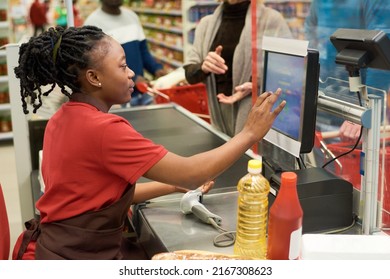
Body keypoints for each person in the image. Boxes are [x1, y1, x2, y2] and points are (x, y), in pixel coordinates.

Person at [12, 26, 285, 260]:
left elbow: (94, 198)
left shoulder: (62, 119)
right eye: (122, 66)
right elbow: (192, 174)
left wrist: (169, 186)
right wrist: (249, 133)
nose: (131, 73)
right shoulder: (104, 129)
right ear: (94, 77)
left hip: (56, 250)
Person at [184, 0, 292, 137]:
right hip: (219, 119)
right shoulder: (206, 24)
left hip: (256, 121)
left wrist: (256, 83)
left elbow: (286, 71)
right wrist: (204, 67)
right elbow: (190, 75)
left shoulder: (271, 20)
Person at [304, 0, 390, 142]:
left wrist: (364, 111)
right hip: (322, 104)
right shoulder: (320, 3)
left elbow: (382, 59)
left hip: (355, 116)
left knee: (352, 160)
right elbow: (311, 37)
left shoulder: (375, 2)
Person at [84, 0, 165, 107]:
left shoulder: (132, 17)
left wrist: (156, 69)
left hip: (141, 93)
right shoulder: (92, 23)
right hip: (116, 100)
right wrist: (131, 78)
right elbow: (97, 66)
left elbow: (143, 52)